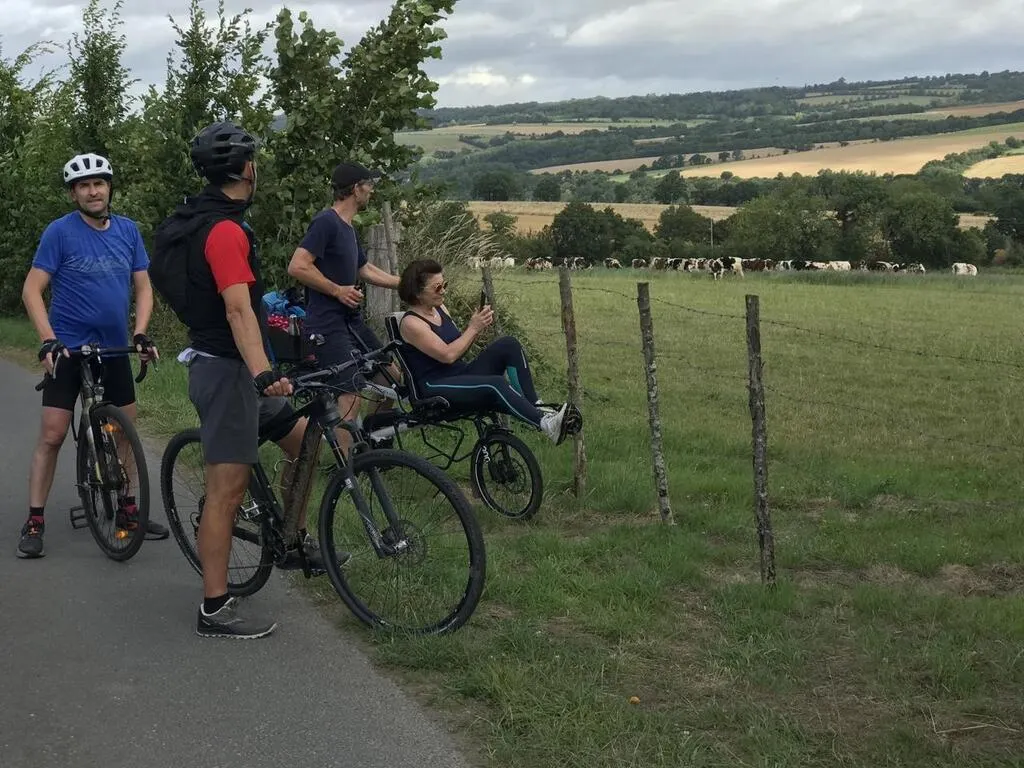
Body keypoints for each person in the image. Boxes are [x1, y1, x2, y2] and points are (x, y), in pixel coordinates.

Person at [151, 121, 332, 640]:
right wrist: (263, 372)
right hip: (228, 372)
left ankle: (291, 537)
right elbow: (237, 310)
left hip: (233, 366)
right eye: (256, 162)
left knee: (304, 442)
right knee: (225, 492)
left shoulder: (204, 218)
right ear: (247, 170)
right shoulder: (225, 231)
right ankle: (214, 607)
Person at [18, 152, 167, 559]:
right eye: (83, 186)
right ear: (74, 194)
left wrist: (140, 332)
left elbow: (143, 287)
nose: (92, 191)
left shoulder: (128, 231)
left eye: (98, 183)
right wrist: (48, 339)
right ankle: (35, 520)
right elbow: (32, 290)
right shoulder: (59, 232)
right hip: (67, 348)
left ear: (109, 187)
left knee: (124, 431)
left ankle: (127, 509)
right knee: (52, 434)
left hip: (114, 346)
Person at [396, 259, 582, 444]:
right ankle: (546, 425)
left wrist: (477, 327)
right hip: (434, 387)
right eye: (437, 287)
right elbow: (448, 355)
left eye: (444, 284)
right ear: (417, 292)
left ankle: (538, 409)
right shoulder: (412, 323)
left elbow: (458, 345)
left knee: (508, 344)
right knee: (495, 383)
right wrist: (473, 328)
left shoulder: (440, 309)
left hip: (459, 374)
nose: (443, 291)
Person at [287, 161, 400, 452]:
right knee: (349, 395)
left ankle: (373, 446)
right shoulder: (326, 222)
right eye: (369, 185)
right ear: (356, 188)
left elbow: (364, 269)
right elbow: (298, 266)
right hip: (326, 325)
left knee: (391, 376)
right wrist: (337, 290)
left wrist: (403, 283)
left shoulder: (348, 228)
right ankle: (349, 467)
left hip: (351, 322)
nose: (372, 191)